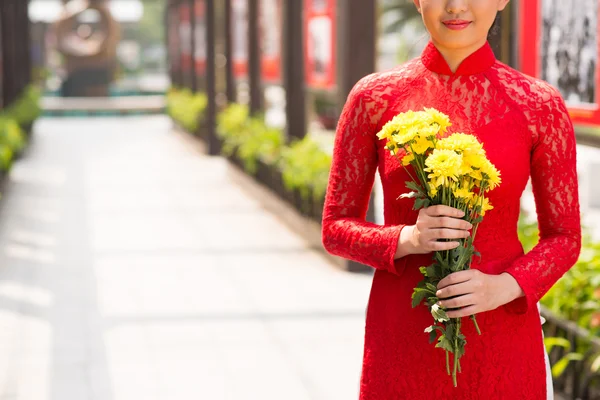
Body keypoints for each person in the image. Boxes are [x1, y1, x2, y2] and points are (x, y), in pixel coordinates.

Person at [321, 1, 581, 399]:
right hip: (403, 335)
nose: (456, 7)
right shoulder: (373, 97)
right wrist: (407, 239)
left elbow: (564, 237)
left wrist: (505, 287)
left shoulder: (539, 105)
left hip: (501, 331)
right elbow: (335, 227)